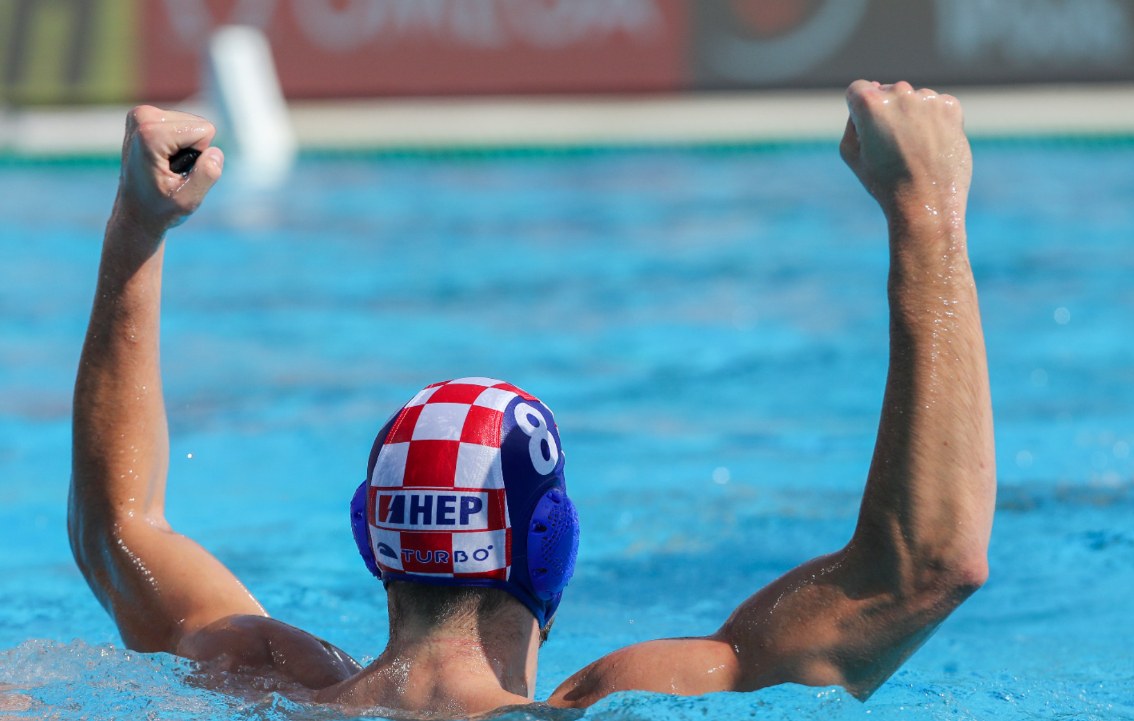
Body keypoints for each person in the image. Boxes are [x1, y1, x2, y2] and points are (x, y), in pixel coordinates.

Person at [69, 79, 994, 716]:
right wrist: (928, 214)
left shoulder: (261, 680)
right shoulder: (622, 703)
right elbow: (926, 567)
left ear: (371, 532)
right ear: (551, 543)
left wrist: (137, 229)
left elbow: (120, 529)